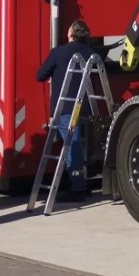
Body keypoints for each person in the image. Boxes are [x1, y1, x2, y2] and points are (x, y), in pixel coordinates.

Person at [35, 19, 100, 197]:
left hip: (67, 108)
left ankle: (78, 187)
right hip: (86, 108)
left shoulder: (59, 52)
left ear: (71, 33)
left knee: (72, 145)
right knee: (81, 145)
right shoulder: (91, 53)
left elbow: (40, 75)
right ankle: (83, 182)